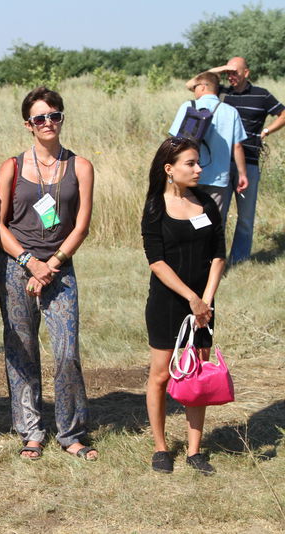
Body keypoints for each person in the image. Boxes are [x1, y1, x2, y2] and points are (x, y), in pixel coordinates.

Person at [0, 87, 96, 461]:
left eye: (54, 115)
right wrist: (29, 263)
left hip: (60, 269)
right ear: (28, 125)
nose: (48, 122)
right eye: (40, 118)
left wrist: (51, 265)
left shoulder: (80, 166)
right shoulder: (13, 167)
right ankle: (31, 431)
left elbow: (81, 225)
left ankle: (71, 432)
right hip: (18, 268)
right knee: (22, 351)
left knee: (67, 352)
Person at [142, 137, 226, 475]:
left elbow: (219, 254)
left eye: (197, 162)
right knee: (161, 375)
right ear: (169, 169)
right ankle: (161, 448)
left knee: (199, 375)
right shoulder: (155, 207)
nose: (198, 169)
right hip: (168, 302)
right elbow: (157, 262)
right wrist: (190, 298)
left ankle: (194, 450)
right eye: (190, 163)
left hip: (204, 305)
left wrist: (205, 300)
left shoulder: (207, 202)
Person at [188, 57, 285, 264]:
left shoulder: (262, 95)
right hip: (220, 162)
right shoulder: (221, 92)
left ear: (247, 73)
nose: (231, 77)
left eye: (235, 72)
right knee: (216, 215)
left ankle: (239, 260)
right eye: (229, 73)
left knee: (245, 217)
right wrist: (221, 69)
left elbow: (283, 114)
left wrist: (266, 131)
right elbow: (194, 83)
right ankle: (215, 258)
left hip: (248, 162)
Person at [170, 71, 248, 222]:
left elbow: (174, 140)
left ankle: (196, 243)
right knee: (214, 220)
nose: (194, 90)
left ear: (203, 87)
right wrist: (242, 174)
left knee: (191, 218)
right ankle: (211, 245)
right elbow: (237, 146)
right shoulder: (230, 111)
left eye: (195, 87)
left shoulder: (188, 106)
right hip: (218, 177)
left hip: (189, 175)